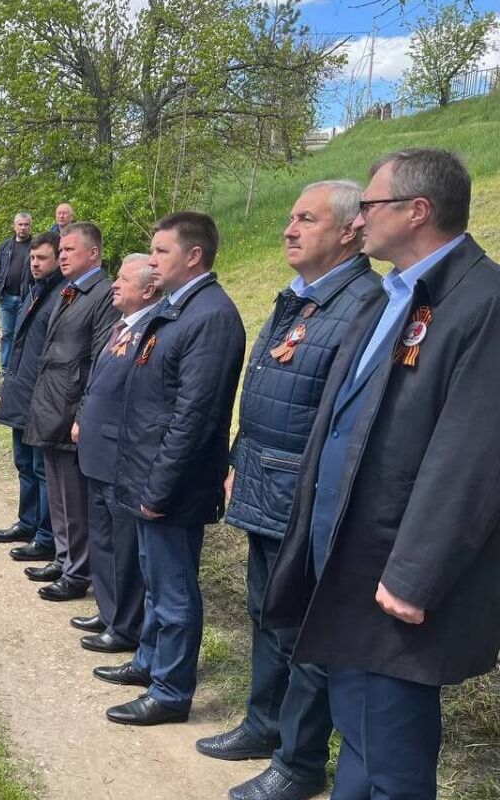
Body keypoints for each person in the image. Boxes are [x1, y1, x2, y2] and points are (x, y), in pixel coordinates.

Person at [262, 149, 500, 799]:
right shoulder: (391, 293)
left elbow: (475, 455)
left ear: (417, 211)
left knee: (393, 753)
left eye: (370, 205)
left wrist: (417, 573)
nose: (359, 219)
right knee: (358, 732)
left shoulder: (483, 301)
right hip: (348, 553)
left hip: (397, 570)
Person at [199, 181, 380, 800]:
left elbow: (341, 418)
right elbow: (267, 391)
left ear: (352, 230)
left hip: (304, 498)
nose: (288, 229)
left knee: (302, 629)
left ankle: (299, 764)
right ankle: (262, 724)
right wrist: (236, 458)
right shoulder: (299, 298)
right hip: (263, 482)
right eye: (289, 217)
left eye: (307, 218)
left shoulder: (365, 304)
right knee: (266, 613)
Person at [96, 211, 245, 727]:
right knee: (157, 585)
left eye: (160, 252)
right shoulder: (177, 311)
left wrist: (158, 487)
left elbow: (194, 418)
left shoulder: (211, 316)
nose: (151, 261)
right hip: (146, 475)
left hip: (172, 485)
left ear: (193, 256)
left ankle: (171, 691)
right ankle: (149, 663)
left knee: (175, 592)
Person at [23, 222, 118, 601]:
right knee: (60, 496)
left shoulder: (102, 294)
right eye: (60, 251)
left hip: (71, 409)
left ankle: (78, 572)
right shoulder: (70, 291)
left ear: (93, 253)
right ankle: (64, 560)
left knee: (75, 499)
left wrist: (82, 414)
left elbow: (99, 360)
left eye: (69, 250)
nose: (62, 256)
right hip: (51, 402)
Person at [71, 254, 160, 656]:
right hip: (97, 448)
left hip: (122, 454)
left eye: (123, 279)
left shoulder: (151, 332)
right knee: (103, 538)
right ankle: (108, 611)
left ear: (148, 289)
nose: (114, 285)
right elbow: (97, 382)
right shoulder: (121, 327)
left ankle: (125, 625)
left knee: (123, 546)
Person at [0, 232, 62, 563]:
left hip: (43, 398)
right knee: (23, 463)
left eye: (42, 258)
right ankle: (28, 521)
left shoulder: (62, 295)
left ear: (58, 259)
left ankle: (46, 536)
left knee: (40, 467)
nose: (35, 264)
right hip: (20, 392)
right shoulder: (32, 291)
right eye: (33, 258)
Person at [0, 212, 33, 375]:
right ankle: (4, 367)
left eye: (26, 224)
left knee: (21, 334)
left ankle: (17, 366)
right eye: (20, 224)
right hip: (6, 297)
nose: (23, 228)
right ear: (14, 226)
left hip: (26, 297)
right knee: (7, 334)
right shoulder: (5, 246)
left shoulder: (35, 246)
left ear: (30, 226)